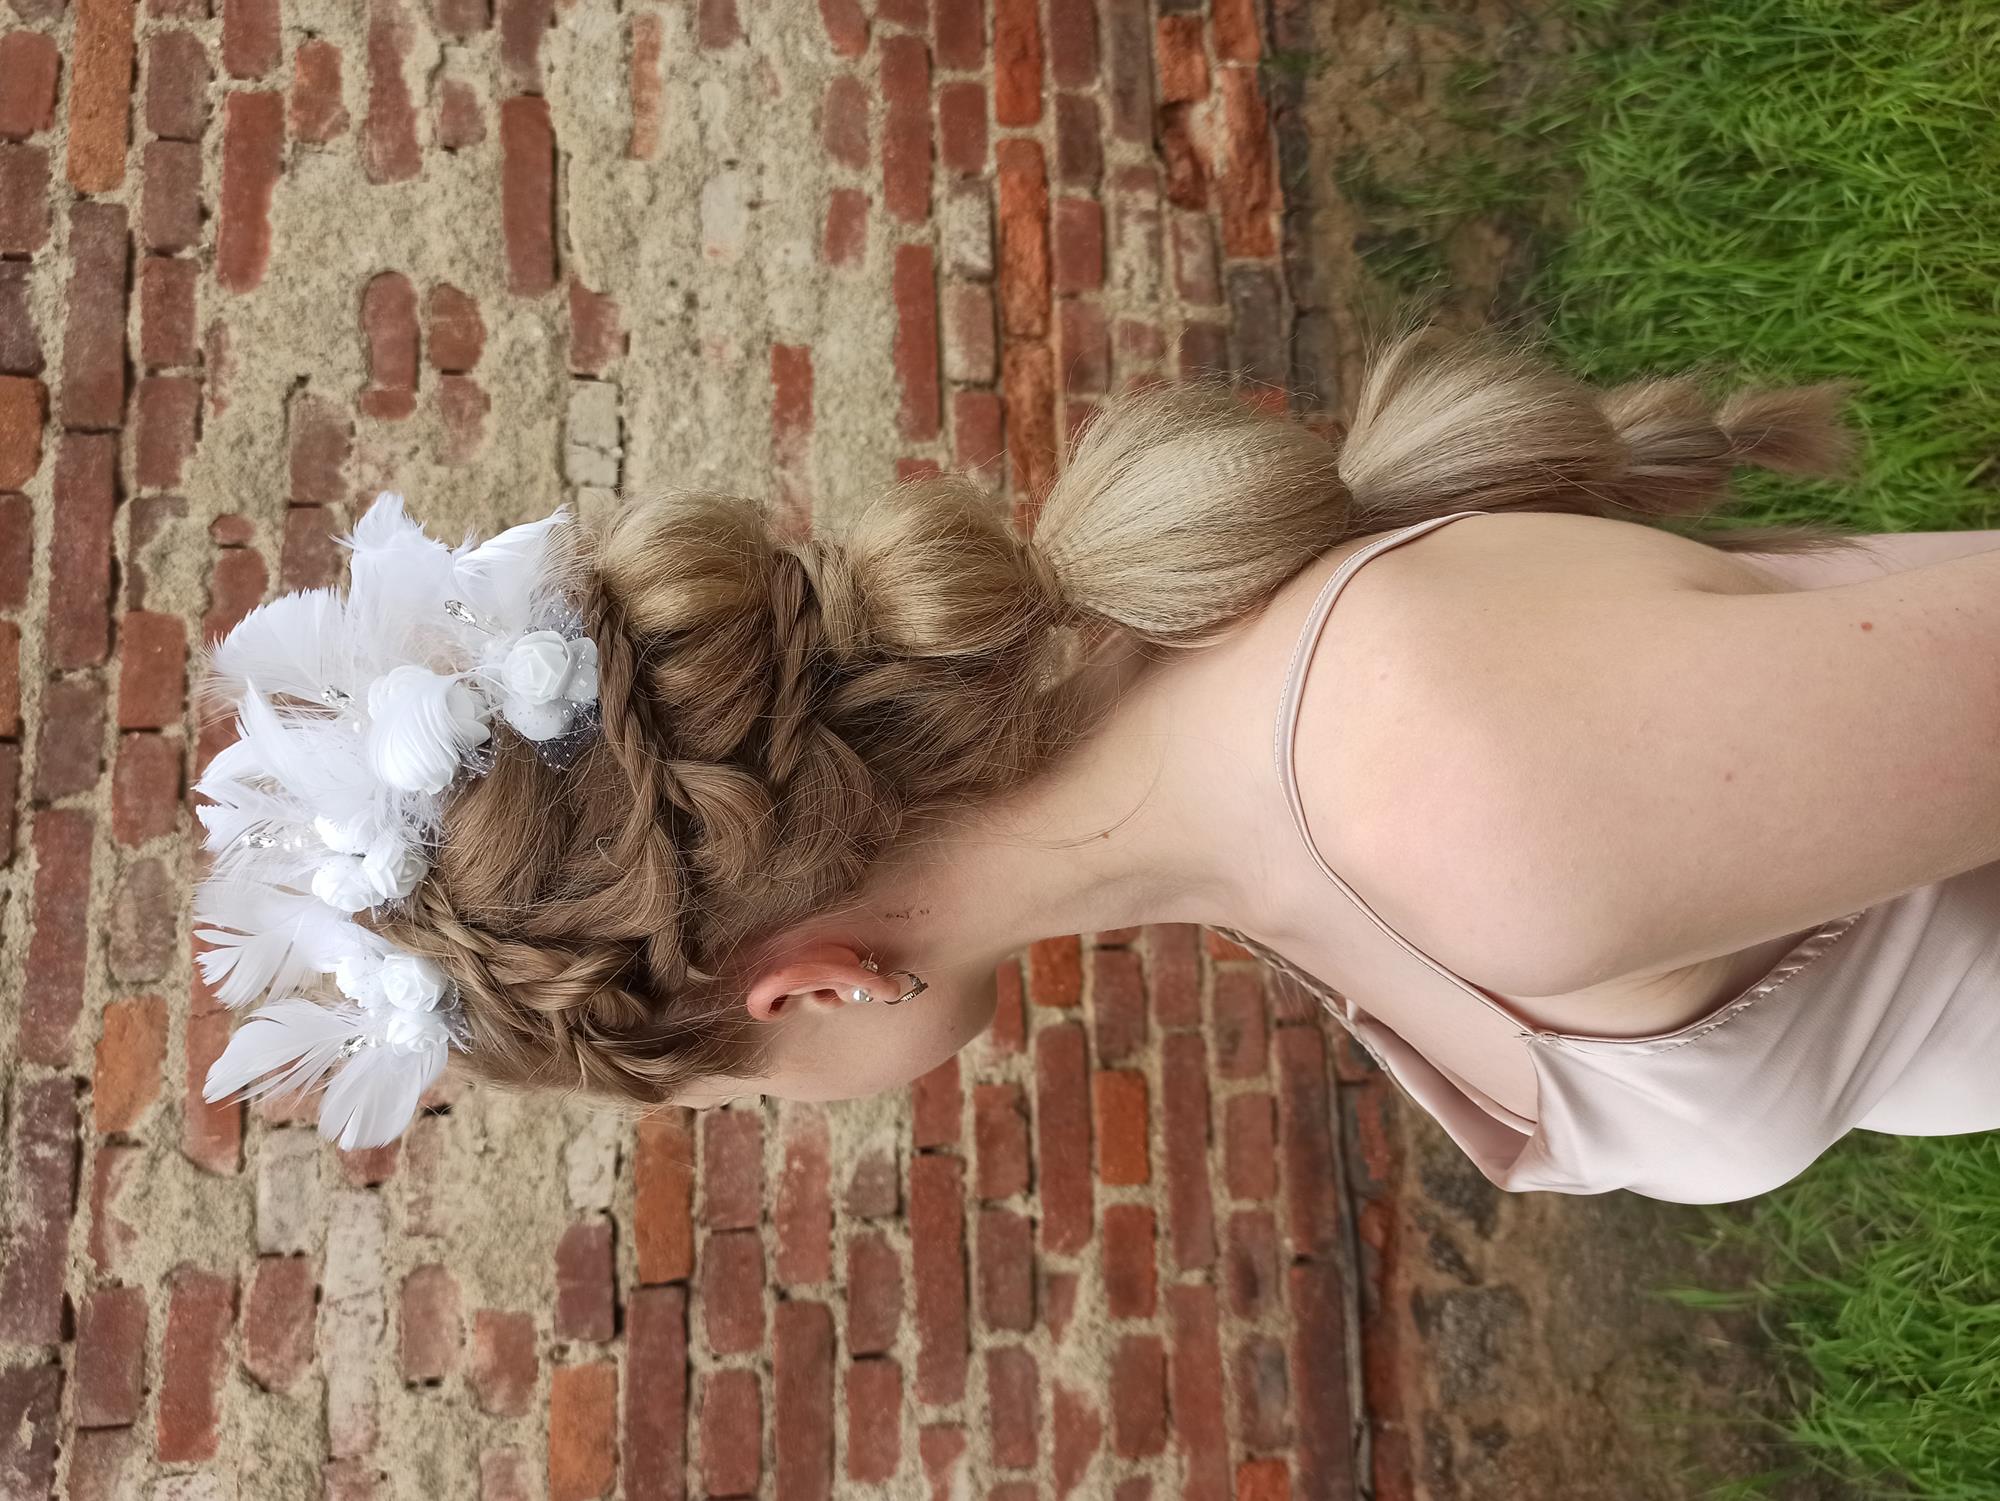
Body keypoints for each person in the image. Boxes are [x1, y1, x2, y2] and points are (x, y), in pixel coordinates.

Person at [196, 330, 2000, 1201]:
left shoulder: (1442, 791)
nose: (795, 1113)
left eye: (737, 1101)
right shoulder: (1250, 800)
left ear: (812, 981)